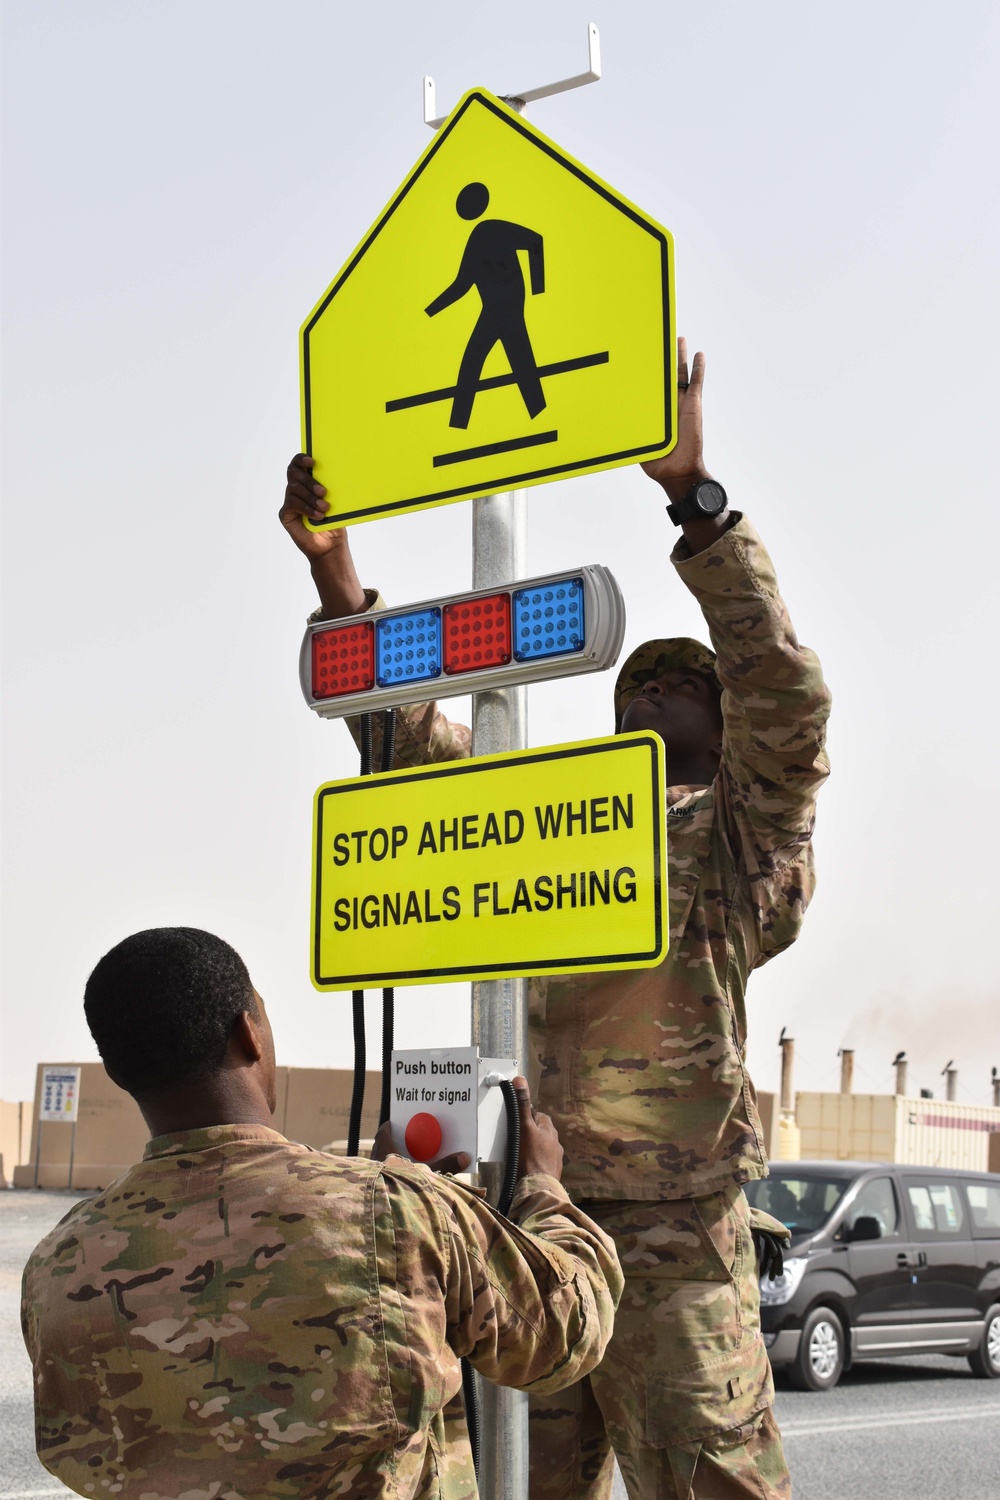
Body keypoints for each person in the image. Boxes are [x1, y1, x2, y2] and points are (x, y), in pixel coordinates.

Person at [279, 338, 832, 1499]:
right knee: (522, 1484)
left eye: (683, 685)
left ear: (725, 732)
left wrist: (694, 501)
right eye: (637, 684)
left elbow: (785, 692)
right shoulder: (562, 817)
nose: (654, 692)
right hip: (534, 1219)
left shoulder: (743, 838)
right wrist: (337, 576)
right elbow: (412, 754)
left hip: (677, 1242)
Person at [21, 926, 623, 1500]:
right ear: (248, 1033)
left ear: (119, 1071)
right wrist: (543, 1188)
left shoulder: (56, 1264)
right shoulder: (395, 1211)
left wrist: (393, 1190)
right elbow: (565, 1334)